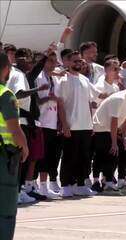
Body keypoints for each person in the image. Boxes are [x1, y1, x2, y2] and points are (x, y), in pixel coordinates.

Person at [56, 51, 105, 197]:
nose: (78, 64)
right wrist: (64, 125)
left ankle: (80, 184)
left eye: (80, 61)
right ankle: (65, 185)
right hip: (71, 125)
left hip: (86, 126)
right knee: (69, 157)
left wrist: (91, 123)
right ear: (68, 62)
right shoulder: (63, 79)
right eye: (75, 61)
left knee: (84, 157)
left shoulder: (84, 79)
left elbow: (93, 99)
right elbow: (60, 103)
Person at [8, 48, 50, 202]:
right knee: (21, 159)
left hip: (21, 120)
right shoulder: (18, 74)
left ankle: (19, 191)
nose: (31, 63)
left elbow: (37, 68)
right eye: (28, 59)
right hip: (20, 120)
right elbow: (18, 94)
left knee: (22, 159)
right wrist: (38, 89)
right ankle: (17, 192)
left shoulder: (18, 74)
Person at [92, 77, 126, 191]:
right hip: (101, 128)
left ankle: (121, 181)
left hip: (111, 129)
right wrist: (114, 142)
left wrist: (124, 139)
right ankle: (107, 182)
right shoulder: (119, 98)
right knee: (112, 152)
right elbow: (113, 121)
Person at [0, 52, 29, 240]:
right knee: (6, 205)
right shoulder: (5, 94)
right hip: (4, 157)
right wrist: (25, 147)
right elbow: (14, 129)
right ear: (5, 69)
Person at [90, 59, 121, 192]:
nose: (117, 71)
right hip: (99, 126)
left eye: (118, 69)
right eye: (114, 69)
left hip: (111, 126)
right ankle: (96, 180)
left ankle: (107, 178)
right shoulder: (99, 86)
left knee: (111, 154)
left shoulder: (115, 87)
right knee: (100, 154)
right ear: (107, 70)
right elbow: (93, 104)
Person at [35, 51, 62, 197]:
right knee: (41, 157)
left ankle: (45, 186)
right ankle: (38, 186)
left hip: (52, 122)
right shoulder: (39, 78)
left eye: (54, 61)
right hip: (42, 121)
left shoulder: (53, 79)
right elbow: (37, 101)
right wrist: (48, 99)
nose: (52, 64)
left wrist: (58, 120)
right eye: (49, 61)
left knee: (50, 156)